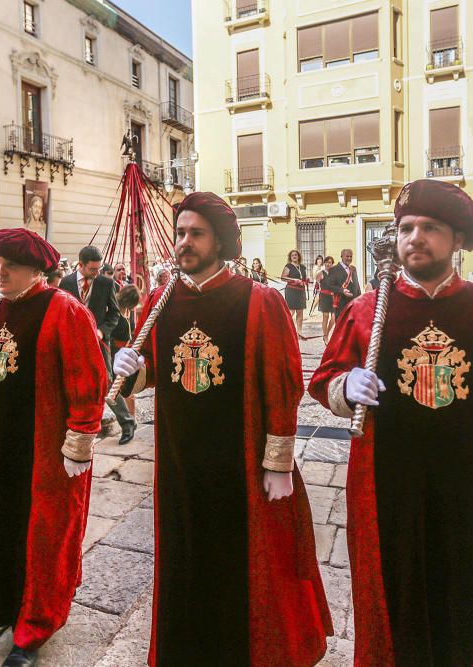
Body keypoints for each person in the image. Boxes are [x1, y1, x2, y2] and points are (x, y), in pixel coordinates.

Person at [309, 179, 473, 666]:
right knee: (391, 599)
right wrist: (344, 385)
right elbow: (325, 378)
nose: (414, 237)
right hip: (385, 489)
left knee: (471, 603)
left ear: (457, 240)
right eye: (405, 228)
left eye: (430, 228)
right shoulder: (364, 312)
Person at [113, 192, 333, 666]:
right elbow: (151, 369)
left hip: (242, 462)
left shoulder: (259, 301)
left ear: (221, 241)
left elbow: (283, 383)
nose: (183, 243)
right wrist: (130, 366)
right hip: (179, 462)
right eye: (179, 233)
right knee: (186, 558)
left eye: (196, 234)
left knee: (245, 568)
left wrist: (278, 464)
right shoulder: (162, 299)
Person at [0, 227, 107, 667]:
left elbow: (89, 379)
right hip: (4, 440)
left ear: (35, 269)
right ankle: (10, 602)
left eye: (7, 266)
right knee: (8, 524)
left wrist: (78, 442)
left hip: (48, 446)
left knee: (47, 532)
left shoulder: (64, 310)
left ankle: (38, 621)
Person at [59, 246, 135, 445]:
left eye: (98, 269)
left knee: (108, 383)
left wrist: (102, 330)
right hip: (74, 343)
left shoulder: (105, 283)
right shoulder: (65, 283)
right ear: (81, 265)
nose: (96, 273)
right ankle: (81, 425)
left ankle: (127, 423)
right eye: (93, 269)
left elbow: (114, 313)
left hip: (100, 343)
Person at [111, 284, 141, 418]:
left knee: (128, 387)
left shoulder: (127, 311)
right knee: (119, 388)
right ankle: (128, 419)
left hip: (125, 350)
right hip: (114, 353)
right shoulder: (114, 311)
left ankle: (131, 418)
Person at [323, 248, 361, 323]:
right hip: (341, 304)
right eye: (347, 256)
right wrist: (342, 290)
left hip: (353, 303)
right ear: (342, 256)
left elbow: (357, 285)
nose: (349, 258)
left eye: (351, 256)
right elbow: (329, 286)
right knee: (341, 327)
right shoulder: (334, 269)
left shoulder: (353, 269)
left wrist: (359, 298)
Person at [281, 249, 309, 337]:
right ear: (290, 257)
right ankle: (287, 331)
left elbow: (304, 278)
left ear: (298, 256)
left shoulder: (303, 267)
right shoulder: (288, 266)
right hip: (291, 291)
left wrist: (305, 281)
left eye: (296, 255)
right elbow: (283, 278)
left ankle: (299, 332)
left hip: (301, 291)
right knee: (291, 312)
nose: (294, 256)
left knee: (300, 312)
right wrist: (294, 280)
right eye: (292, 255)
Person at [317, 256, 336, 343]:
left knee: (333, 317)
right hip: (324, 296)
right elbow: (317, 284)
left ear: (332, 264)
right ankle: (325, 336)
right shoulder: (320, 273)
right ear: (324, 263)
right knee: (325, 316)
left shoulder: (335, 274)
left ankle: (327, 334)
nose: (328, 264)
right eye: (326, 262)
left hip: (333, 297)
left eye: (330, 262)